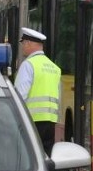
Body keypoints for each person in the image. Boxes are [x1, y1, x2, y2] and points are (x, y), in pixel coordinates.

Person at [14, 27, 61, 155]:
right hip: (50, 121)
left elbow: (19, 95)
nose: (22, 47)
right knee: (45, 156)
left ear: (29, 43)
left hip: (31, 120)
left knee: (30, 156)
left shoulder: (29, 65)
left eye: (23, 43)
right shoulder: (55, 68)